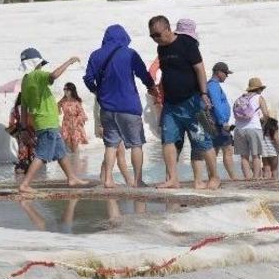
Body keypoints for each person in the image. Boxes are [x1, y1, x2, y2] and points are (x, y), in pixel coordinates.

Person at [148, 16, 218, 189]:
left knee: (203, 140)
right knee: (168, 140)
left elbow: (199, 69)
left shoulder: (187, 43)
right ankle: (173, 178)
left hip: (193, 102)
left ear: (167, 29)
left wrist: (203, 93)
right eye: (152, 36)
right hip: (171, 104)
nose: (155, 38)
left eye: (157, 34)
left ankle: (214, 177)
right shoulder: (161, 48)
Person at [83, 24, 156, 188]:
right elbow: (143, 74)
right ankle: (137, 181)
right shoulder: (129, 53)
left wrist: (96, 91)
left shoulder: (95, 55)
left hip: (107, 108)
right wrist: (151, 86)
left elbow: (88, 78)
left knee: (111, 145)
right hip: (128, 107)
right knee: (136, 144)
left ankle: (108, 180)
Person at [17, 48, 88, 194]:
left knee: (60, 152)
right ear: (36, 63)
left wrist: (23, 128)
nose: (41, 66)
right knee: (42, 155)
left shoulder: (25, 81)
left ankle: (71, 178)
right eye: (40, 64)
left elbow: (23, 107)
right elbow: (54, 75)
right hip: (47, 123)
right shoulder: (37, 75)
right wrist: (69, 61)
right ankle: (25, 184)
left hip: (42, 123)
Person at [234, 77, 271, 180]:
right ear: (258, 89)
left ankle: (247, 177)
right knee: (256, 155)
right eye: (261, 89)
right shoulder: (259, 97)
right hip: (254, 128)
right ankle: (255, 177)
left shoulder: (241, 98)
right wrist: (263, 122)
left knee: (244, 156)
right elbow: (266, 114)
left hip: (239, 129)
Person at [206, 62, 237, 181]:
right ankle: (233, 177)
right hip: (218, 123)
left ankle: (212, 176)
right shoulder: (213, 86)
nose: (226, 76)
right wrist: (223, 121)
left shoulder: (212, 85)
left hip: (214, 122)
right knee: (227, 149)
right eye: (225, 73)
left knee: (214, 150)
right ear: (218, 72)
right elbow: (217, 104)